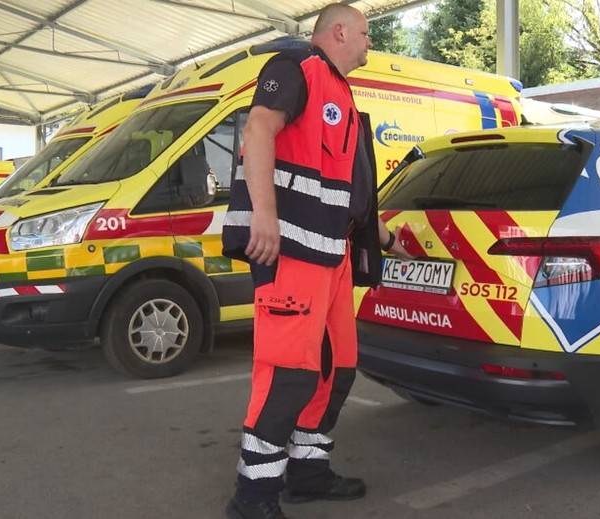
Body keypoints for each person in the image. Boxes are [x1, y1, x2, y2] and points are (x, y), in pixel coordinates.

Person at [221, 4, 411, 519]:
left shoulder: (343, 94)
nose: (371, 45)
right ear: (340, 31)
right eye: (367, 35)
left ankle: (307, 471)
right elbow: (259, 129)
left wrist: (388, 238)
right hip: (293, 254)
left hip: (334, 258)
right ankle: (253, 496)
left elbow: (346, 194)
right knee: (288, 374)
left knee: (336, 369)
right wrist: (263, 216)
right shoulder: (296, 68)